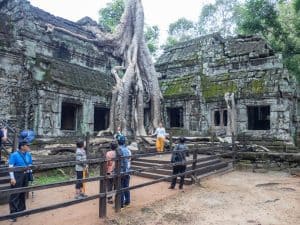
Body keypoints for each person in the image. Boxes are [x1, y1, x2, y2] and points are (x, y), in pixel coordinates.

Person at [8, 140, 33, 222]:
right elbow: (11, 166)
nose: (28, 147)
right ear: (22, 146)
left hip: (25, 175)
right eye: (27, 145)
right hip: (17, 175)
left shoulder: (28, 154)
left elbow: (29, 164)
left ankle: (21, 210)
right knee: (15, 194)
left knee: (23, 192)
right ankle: (13, 214)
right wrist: (12, 178)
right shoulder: (14, 155)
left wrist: (30, 174)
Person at [117, 135, 131, 208]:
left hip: (121, 171)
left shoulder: (119, 150)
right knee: (126, 186)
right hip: (127, 171)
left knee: (120, 187)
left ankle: (120, 203)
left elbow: (121, 161)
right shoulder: (127, 150)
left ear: (118, 142)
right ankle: (127, 201)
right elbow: (128, 160)